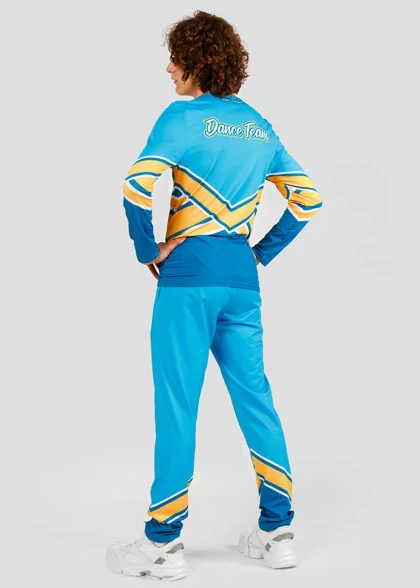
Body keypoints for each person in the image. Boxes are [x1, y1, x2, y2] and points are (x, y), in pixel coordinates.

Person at [106, 9, 322, 581]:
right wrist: (260, 252)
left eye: (174, 58)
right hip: (241, 284)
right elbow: (308, 199)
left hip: (188, 282)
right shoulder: (259, 126)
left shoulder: (181, 118)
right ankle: (278, 532)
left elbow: (136, 186)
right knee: (257, 399)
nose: (168, 69)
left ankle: (162, 542)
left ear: (195, 62)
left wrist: (147, 249)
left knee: (178, 404)